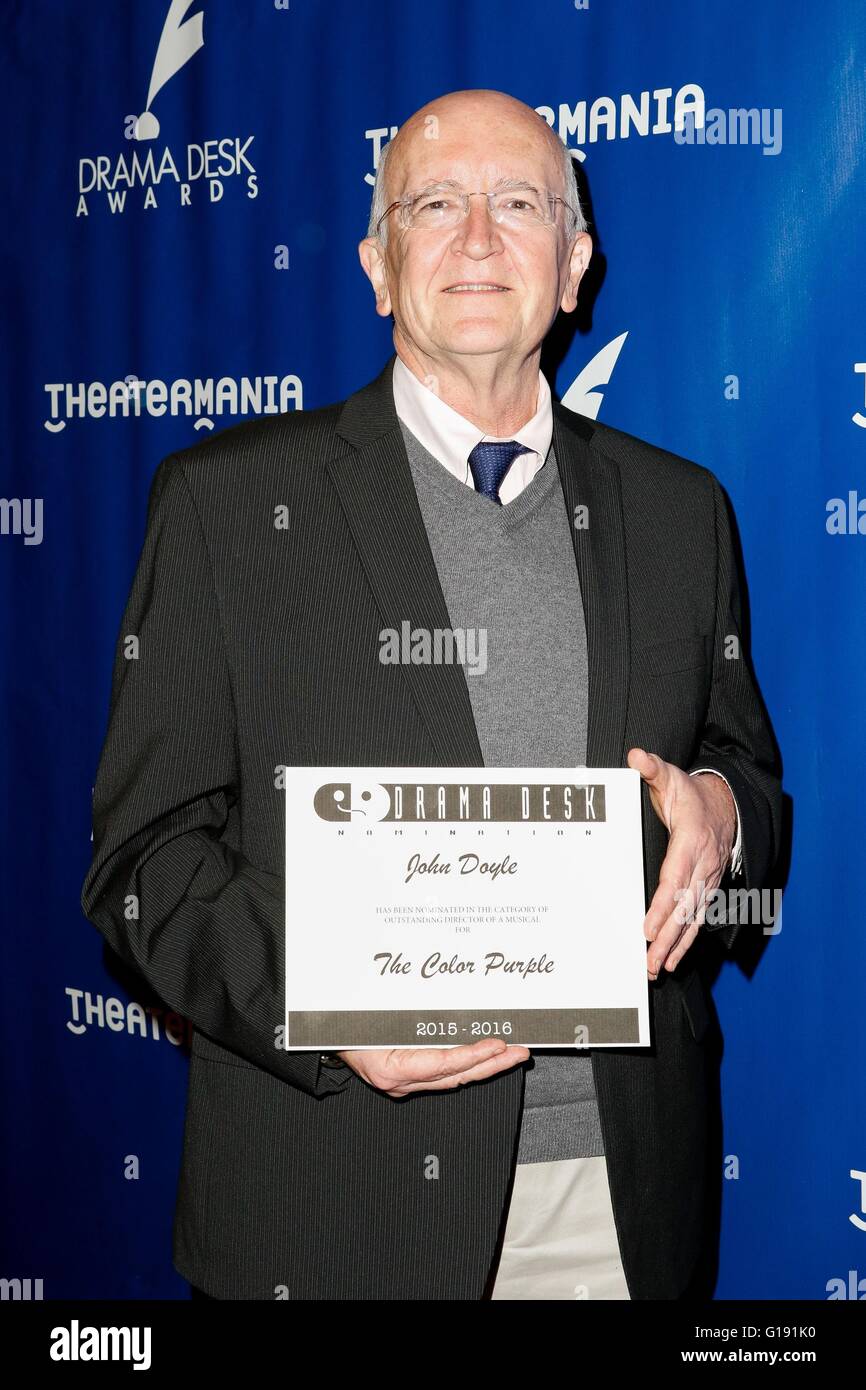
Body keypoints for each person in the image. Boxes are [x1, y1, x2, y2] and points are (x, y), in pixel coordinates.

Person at [81, 88, 781, 1300]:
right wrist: (327, 1007)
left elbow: (744, 779)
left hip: (619, 1209)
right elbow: (141, 863)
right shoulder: (227, 507)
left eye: (516, 205)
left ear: (572, 267)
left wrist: (720, 814)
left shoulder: (681, 515)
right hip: (335, 1211)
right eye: (432, 205)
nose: (473, 238)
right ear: (377, 265)